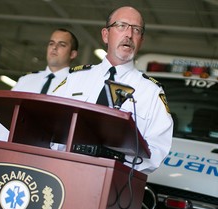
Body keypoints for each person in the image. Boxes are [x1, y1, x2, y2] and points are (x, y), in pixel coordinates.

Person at [56, 6, 173, 174]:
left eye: (136, 30)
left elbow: (157, 150)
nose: (129, 34)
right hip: (62, 172)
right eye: (121, 26)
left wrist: (117, 164)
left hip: (114, 182)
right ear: (106, 34)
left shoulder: (151, 92)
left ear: (141, 40)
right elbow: (47, 126)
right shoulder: (74, 79)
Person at [0, 28, 79, 142]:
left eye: (62, 45)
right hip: (16, 147)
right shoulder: (26, 80)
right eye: (51, 43)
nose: (54, 48)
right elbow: (6, 113)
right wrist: (4, 142)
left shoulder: (77, 83)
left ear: (73, 54)